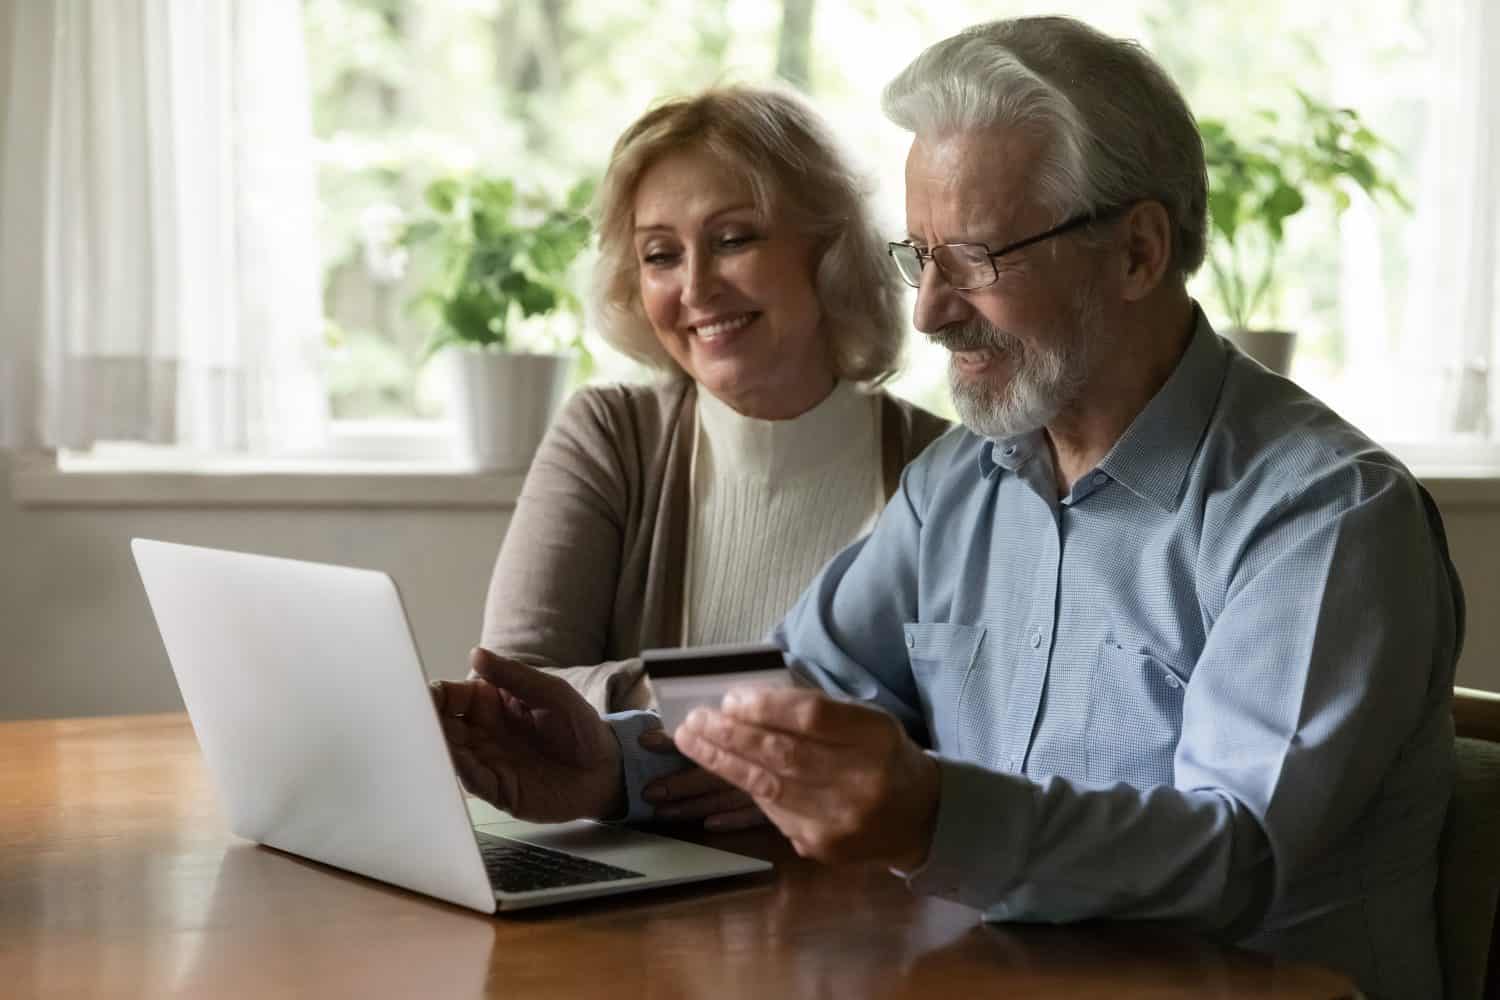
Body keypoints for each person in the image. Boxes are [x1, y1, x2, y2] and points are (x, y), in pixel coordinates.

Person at [434, 18, 1461, 999]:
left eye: (978, 256)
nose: (929, 310)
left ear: (1140, 252)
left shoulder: (1326, 516)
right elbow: (804, 693)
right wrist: (608, 763)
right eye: (921, 257)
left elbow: (1234, 857)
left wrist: (932, 816)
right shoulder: (963, 481)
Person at [471, 85, 947, 829]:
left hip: (860, 897)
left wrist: (783, 766)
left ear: (826, 251)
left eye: (733, 239)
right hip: (632, 889)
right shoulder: (610, 434)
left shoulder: (946, 467)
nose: (695, 287)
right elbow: (515, 690)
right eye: (660, 255)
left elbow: (981, 736)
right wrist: (752, 724)